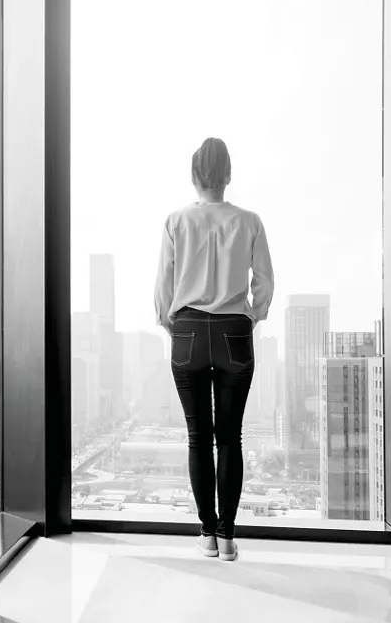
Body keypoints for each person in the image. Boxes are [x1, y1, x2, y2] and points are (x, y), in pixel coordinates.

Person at [153, 137, 274, 562]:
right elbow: (264, 281)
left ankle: (205, 533)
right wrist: (252, 315)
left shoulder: (175, 221)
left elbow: (162, 289)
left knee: (198, 439)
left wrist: (172, 322)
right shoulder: (249, 221)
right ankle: (227, 538)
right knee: (231, 438)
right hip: (233, 332)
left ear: (193, 175)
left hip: (187, 330)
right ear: (227, 176)